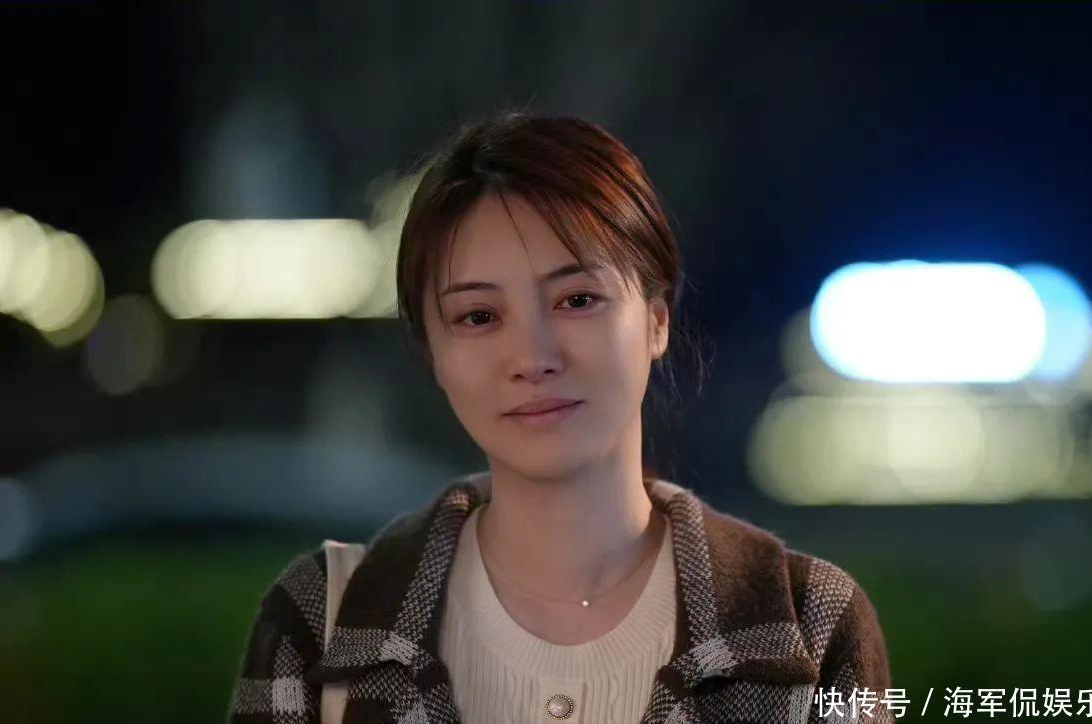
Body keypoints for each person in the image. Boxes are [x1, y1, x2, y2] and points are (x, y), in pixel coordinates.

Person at [227, 110, 892, 724]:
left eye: (576, 300)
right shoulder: (324, 622)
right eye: (478, 316)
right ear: (433, 352)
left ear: (656, 319)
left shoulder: (808, 623)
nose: (532, 357)